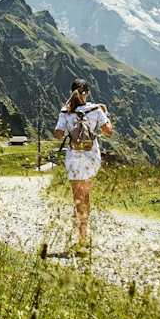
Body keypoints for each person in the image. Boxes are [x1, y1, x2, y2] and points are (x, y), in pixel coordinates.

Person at [53, 78, 114, 255]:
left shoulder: (65, 111)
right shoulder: (96, 109)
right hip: (91, 157)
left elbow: (58, 135)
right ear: (87, 93)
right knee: (86, 195)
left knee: (77, 197)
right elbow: (108, 132)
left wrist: (67, 118)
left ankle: (81, 238)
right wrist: (105, 113)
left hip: (73, 158)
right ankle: (84, 236)